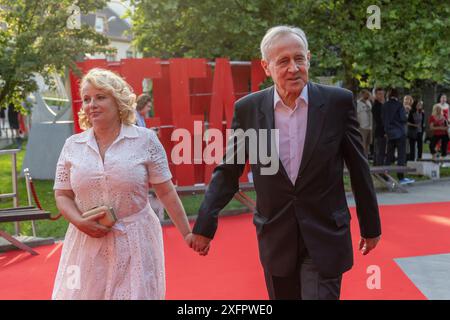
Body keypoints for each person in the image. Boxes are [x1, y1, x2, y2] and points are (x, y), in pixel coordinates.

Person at [190, 26, 381, 300]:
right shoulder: (249, 110)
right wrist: (205, 225)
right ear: (266, 67)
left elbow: (359, 167)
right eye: (283, 61)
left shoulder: (337, 103)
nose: (294, 68)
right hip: (276, 236)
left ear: (309, 58)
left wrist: (370, 225)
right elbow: (228, 171)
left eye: (299, 58)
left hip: (325, 232)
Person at [52, 68, 196, 300]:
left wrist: (187, 233)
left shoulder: (145, 140)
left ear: (118, 100)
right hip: (86, 240)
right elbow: (62, 195)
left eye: (100, 97)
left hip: (136, 239)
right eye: (87, 99)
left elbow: (166, 191)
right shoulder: (72, 145)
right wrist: (79, 221)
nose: (92, 105)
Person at [135, 94, 165, 221]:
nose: (149, 109)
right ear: (141, 104)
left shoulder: (140, 117)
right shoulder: (134, 117)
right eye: (147, 106)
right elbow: (136, 135)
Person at [382, 88, 414, 184]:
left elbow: (382, 118)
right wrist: (407, 113)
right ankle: (401, 177)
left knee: (389, 155)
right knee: (401, 155)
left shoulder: (385, 105)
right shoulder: (399, 105)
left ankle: (386, 175)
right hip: (400, 133)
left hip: (389, 133)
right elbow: (403, 119)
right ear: (397, 96)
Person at [371, 88, 386, 165]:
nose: (382, 96)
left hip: (382, 131)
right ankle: (378, 169)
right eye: (379, 94)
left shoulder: (382, 105)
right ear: (376, 95)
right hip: (380, 131)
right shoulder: (376, 106)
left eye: (383, 94)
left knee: (380, 151)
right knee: (379, 151)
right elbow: (380, 120)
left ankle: (378, 167)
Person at [356, 89, 373, 158]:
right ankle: (360, 158)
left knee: (367, 144)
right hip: (362, 127)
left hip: (369, 127)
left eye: (368, 94)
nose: (368, 95)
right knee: (362, 144)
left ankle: (366, 158)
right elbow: (356, 115)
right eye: (366, 94)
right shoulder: (358, 103)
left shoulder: (369, 102)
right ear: (362, 94)